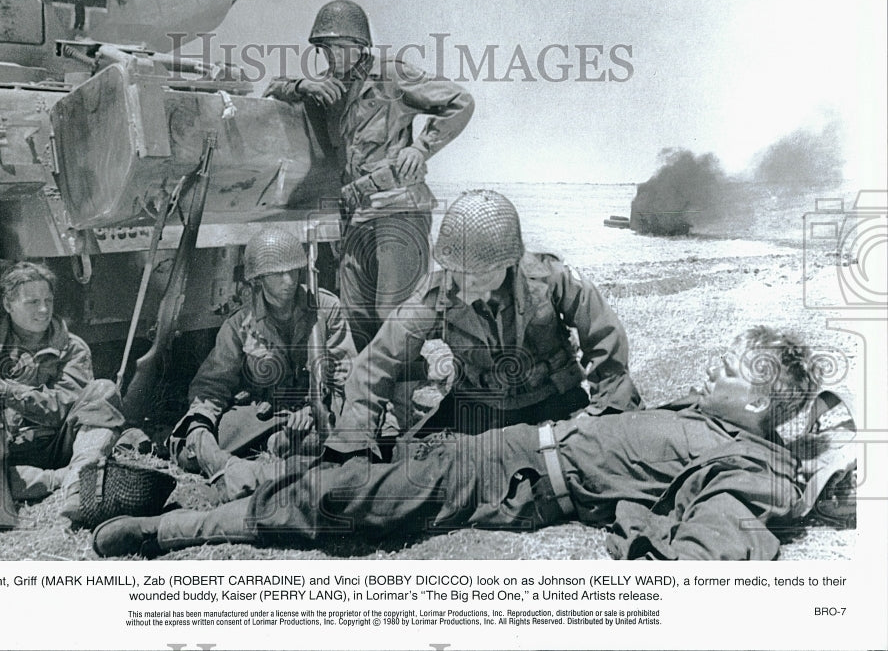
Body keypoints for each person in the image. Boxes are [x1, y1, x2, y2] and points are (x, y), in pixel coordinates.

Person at [93, 326, 855, 561]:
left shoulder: (743, 464)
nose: (712, 365)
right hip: (507, 447)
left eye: (730, 367)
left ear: (754, 399)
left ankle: (164, 531)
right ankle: (245, 476)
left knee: (348, 497)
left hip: (515, 481)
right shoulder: (720, 418)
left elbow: (715, 548)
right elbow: (818, 409)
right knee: (364, 459)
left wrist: (816, 474)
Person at [325, 189, 641, 460]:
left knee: (584, 458)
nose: (466, 285)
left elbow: (603, 335)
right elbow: (380, 360)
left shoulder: (550, 278)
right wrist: (353, 439)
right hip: (475, 409)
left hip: (552, 402)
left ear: (508, 261)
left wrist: (609, 413)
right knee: (411, 463)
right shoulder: (436, 296)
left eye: (479, 274)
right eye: (459, 272)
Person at [264, 0, 474, 350]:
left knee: (395, 314)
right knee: (355, 315)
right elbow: (273, 89)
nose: (330, 58)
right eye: (324, 50)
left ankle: (411, 395)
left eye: (337, 49)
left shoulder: (392, 75)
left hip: (397, 209)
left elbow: (460, 101)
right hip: (355, 216)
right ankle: (371, 398)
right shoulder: (329, 90)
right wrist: (302, 86)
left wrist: (420, 148)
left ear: (359, 46)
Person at [168, 227, 356, 501]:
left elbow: (344, 374)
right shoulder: (239, 324)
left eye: (293, 271)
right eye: (277, 273)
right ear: (258, 279)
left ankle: (286, 448)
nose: (288, 280)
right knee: (193, 449)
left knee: (335, 437)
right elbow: (211, 387)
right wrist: (200, 426)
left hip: (314, 414)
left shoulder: (326, 309)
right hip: (261, 416)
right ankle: (272, 447)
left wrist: (317, 408)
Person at [0, 262, 124, 521]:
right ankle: (65, 477)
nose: (44, 309)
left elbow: (63, 408)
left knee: (104, 390)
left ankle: (78, 484)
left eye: (48, 300)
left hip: (57, 443)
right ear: (8, 305)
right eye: (32, 302)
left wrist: (5, 390)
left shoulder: (71, 347)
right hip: (9, 449)